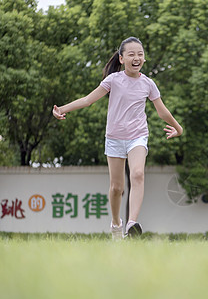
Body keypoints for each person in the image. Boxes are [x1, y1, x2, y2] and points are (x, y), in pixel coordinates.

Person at [52, 37, 183, 239]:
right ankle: (116, 225)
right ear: (121, 59)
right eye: (131, 54)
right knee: (116, 188)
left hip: (137, 136)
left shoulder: (148, 84)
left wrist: (178, 128)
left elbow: (162, 112)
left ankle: (132, 224)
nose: (136, 57)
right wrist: (62, 109)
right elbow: (88, 100)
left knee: (138, 174)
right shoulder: (113, 80)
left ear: (144, 59)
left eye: (140, 54)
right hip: (114, 139)